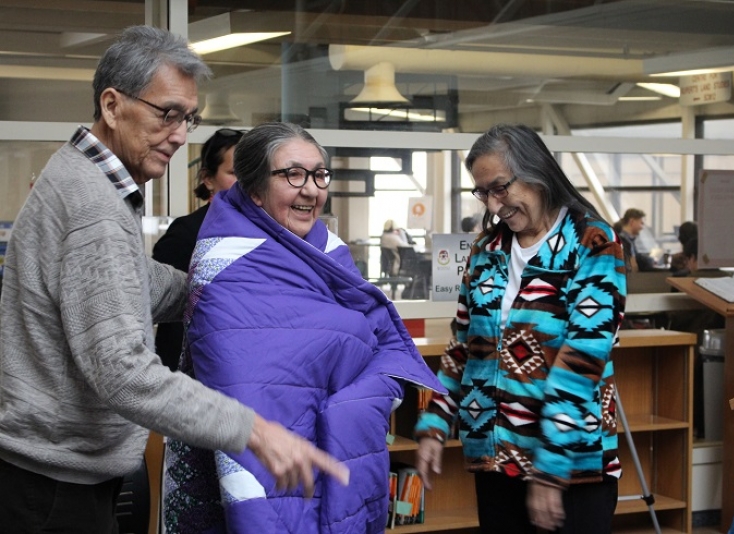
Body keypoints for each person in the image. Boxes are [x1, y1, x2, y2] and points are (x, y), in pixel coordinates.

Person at [0, 26, 348, 533]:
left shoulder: (81, 178)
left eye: (189, 118)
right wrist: (255, 431)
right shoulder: (93, 207)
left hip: (52, 477)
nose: (181, 135)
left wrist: (225, 292)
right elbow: (124, 372)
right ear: (113, 105)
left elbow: (135, 281)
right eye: (167, 114)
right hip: (53, 490)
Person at [163, 122, 444, 533]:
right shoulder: (225, 264)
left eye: (319, 175)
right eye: (293, 174)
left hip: (329, 449)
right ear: (255, 188)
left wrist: (361, 394)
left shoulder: (328, 250)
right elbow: (244, 379)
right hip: (262, 457)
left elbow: (376, 339)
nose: (310, 189)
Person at [414, 124, 627, 533]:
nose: (494, 205)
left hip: (569, 466)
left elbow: (583, 360)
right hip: (495, 458)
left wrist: (548, 468)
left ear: (536, 173)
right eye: (483, 193)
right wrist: (435, 423)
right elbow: (462, 345)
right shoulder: (485, 251)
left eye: (500, 188)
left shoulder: (592, 243)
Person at [152, 127, 244, 371]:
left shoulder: (269, 233)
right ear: (207, 178)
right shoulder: (186, 232)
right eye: (235, 172)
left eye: (253, 172)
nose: (246, 182)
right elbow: (164, 310)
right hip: (192, 376)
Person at [615, 208, 651, 272]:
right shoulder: (625, 242)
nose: (642, 227)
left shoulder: (627, 240)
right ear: (632, 222)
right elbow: (632, 267)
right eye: (641, 223)